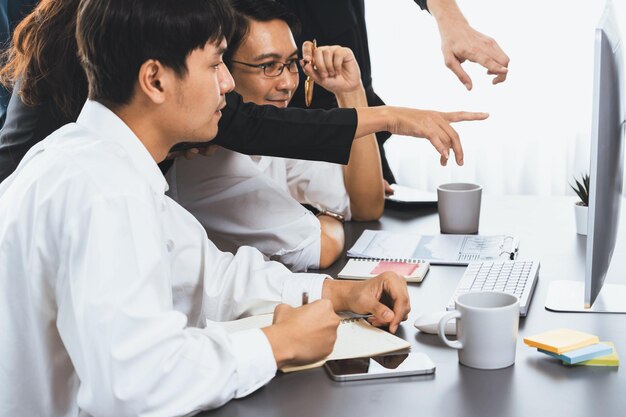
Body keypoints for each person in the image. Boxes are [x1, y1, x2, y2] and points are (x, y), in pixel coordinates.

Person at [0, 0, 411, 416]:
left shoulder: (99, 162)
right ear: (155, 80)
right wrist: (278, 344)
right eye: (215, 64)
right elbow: (134, 387)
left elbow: (212, 279)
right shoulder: (104, 191)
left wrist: (340, 292)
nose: (228, 84)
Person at [166, 0, 489, 272]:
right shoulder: (212, 159)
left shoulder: (281, 134)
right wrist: (324, 216)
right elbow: (319, 250)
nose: (287, 83)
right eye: (268, 66)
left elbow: (365, 206)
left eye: (291, 64)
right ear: (222, 71)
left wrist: (352, 93)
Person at [279, 0, 511, 184]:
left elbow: (368, 208)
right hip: (271, 131)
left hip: (355, 114)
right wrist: (393, 118)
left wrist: (453, 22)